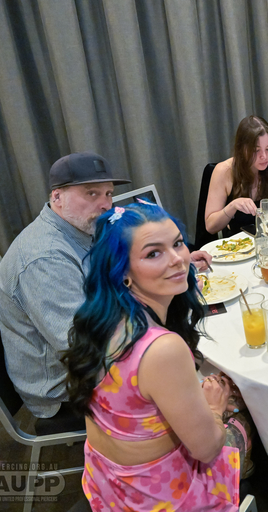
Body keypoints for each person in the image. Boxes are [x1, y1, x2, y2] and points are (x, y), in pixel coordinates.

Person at [62, 203, 249, 511]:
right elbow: (206, 450)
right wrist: (215, 410)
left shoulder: (100, 318)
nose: (177, 259)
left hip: (107, 481)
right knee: (247, 411)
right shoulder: (162, 349)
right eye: (153, 253)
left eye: (178, 243)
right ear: (122, 270)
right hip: (157, 497)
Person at [0, 152, 210, 420]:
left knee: (190, 351)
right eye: (91, 194)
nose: (105, 204)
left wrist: (173, 265)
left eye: (108, 194)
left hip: (102, 348)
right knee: (204, 386)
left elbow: (111, 282)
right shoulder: (44, 259)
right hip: (66, 387)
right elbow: (82, 344)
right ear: (57, 197)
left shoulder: (80, 229)